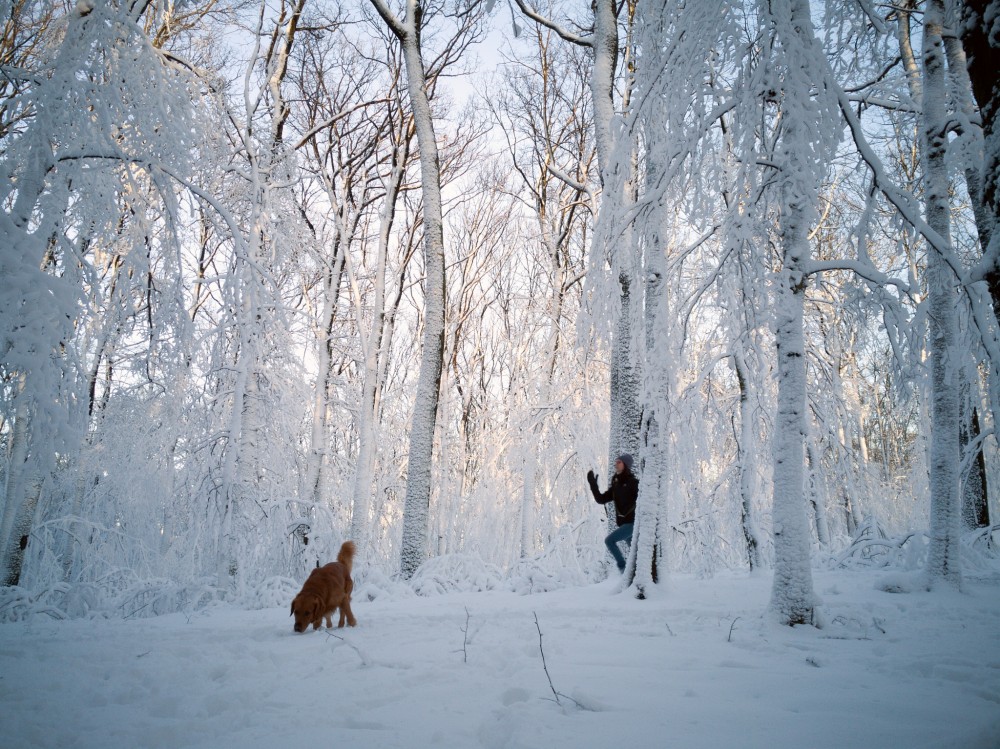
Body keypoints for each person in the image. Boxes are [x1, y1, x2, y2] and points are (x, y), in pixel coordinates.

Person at [587, 454, 638, 572]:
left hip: (633, 523)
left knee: (609, 540)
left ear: (625, 464)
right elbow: (601, 499)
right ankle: (636, 575)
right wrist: (593, 484)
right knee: (636, 553)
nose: (616, 464)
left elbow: (644, 498)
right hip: (624, 524)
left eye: (619, 462)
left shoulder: (633, 483)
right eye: (616, 462)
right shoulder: (616, 484)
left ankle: (623, 568)